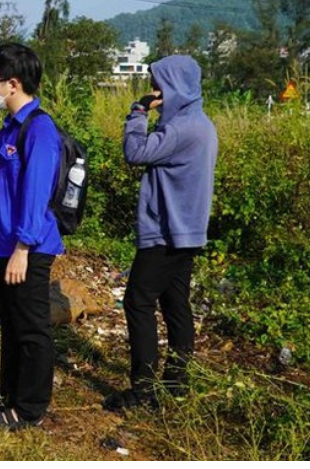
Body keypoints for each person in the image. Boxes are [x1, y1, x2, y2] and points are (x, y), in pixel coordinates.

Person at [103, 55, 218, 411]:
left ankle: (144, 392)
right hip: (186, 232)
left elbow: (135, 152)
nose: (155, 92)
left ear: (177, 86)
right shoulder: (200, 123)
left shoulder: (182, 129)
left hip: (167, 232)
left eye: (159, 85)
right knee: (175, 305)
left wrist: (137, 112)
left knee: (138, 301)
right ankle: (176, 382)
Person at [0, 43, 64, 430]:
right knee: (11, 323)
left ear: (12, 83)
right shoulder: (8, 128)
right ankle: (10, 396)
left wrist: (22, 247)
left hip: (27, 247)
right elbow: (3, 191)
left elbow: (35, 192)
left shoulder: (40, 128)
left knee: (31, 327)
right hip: (4, 243)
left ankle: (29, 409)